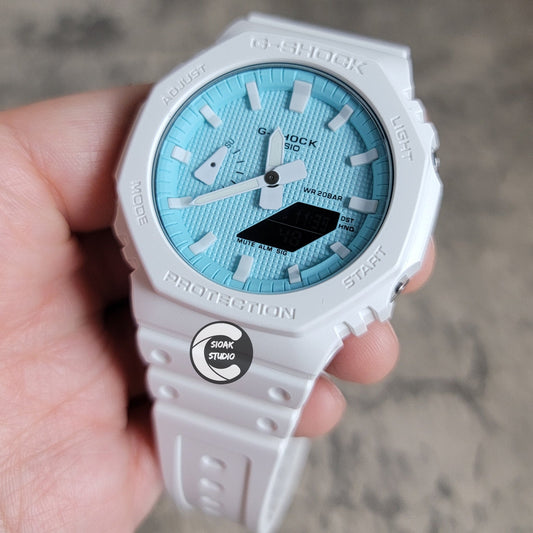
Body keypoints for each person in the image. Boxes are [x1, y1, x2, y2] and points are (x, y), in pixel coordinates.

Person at [0, 86, 435, 532]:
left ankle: (231, 477)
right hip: (177, 287)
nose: (272, 181)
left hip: (288, 311)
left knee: (332, 383)